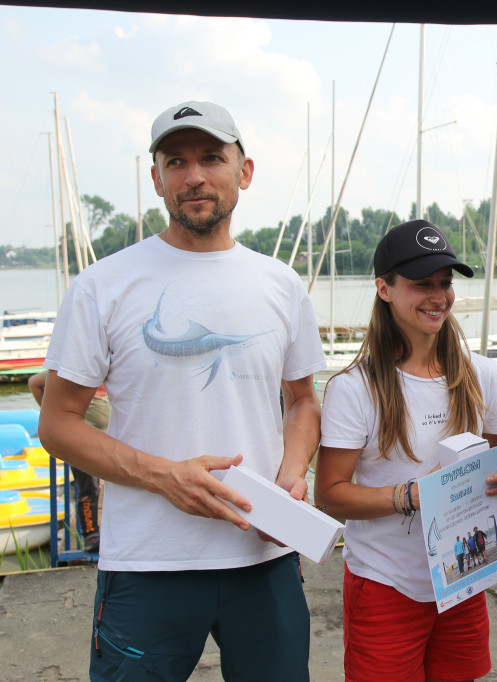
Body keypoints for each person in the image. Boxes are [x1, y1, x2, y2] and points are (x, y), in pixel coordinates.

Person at [37, 100, 325, 681]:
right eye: (176, 161)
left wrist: (293, 475)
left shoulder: (281, 284)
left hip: (263, 557)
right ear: (157, 180)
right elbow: (58, 423)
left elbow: (302, 401)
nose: (194, 176)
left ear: (244, 171)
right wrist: (163, 476)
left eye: (211, 158)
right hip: (147, 563)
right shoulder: (103, 286)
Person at [314, 219, 497, 682]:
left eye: (445, 283)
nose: (438, 296)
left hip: (466, 577)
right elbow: (330, 494)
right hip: (386, 584)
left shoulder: (483, 374)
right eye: (422, 284)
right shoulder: (353, 388)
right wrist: (409, 496)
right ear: (384, 288)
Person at [29, 369, 106, 553]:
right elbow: (34, 383)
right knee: (89, 488)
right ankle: (90, 534)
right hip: (82, 443)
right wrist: (53, 415)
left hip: (109, 443)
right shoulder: (71, 368)